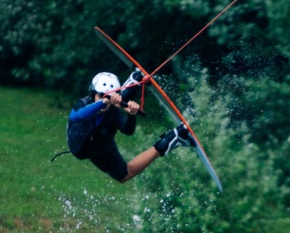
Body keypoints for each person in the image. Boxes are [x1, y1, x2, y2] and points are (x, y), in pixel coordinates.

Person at [66, 70, 195, 183]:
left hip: (101, 149)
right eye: (100, 95)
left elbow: (127, 131)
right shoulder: (82, 104)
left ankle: (173, 138)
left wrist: (132, 115)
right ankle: (132, 84)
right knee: (112, 105)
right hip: (81, 147)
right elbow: (77, 116)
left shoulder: (114, 113)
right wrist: (103, 101)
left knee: (125, 175)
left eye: (109, 96)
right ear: (93, 94)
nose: (105, 101)